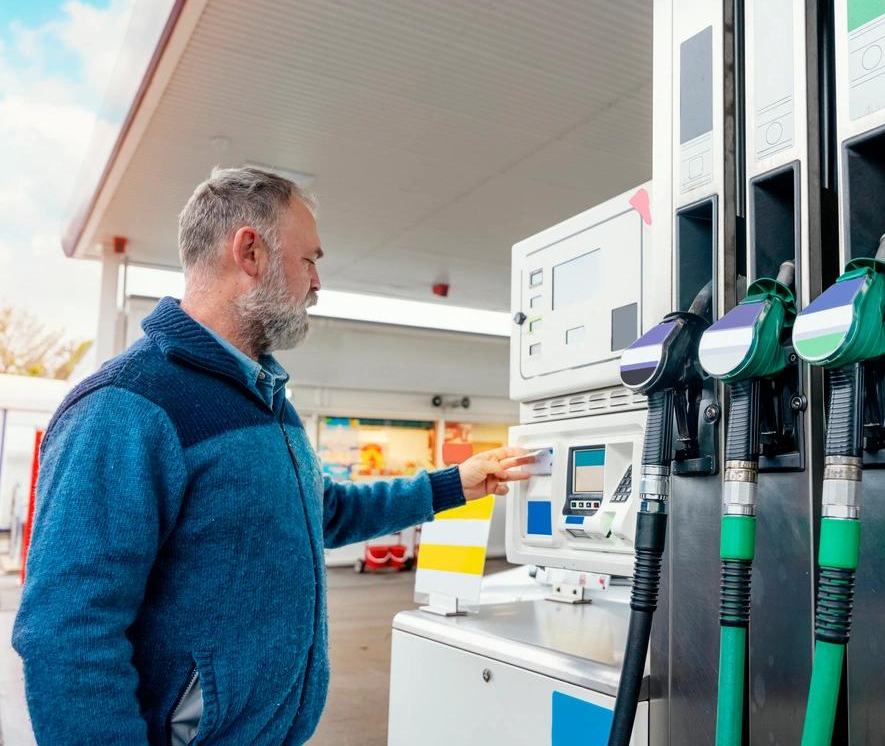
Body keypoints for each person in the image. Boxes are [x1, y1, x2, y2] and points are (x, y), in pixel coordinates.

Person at [13, 167, 531, 744]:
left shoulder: (267, 401)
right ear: (251, 252)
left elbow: (324, 511)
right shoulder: (126, 408)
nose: (316, 283)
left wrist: (455, 484)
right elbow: (68, 635)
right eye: (309, 259)